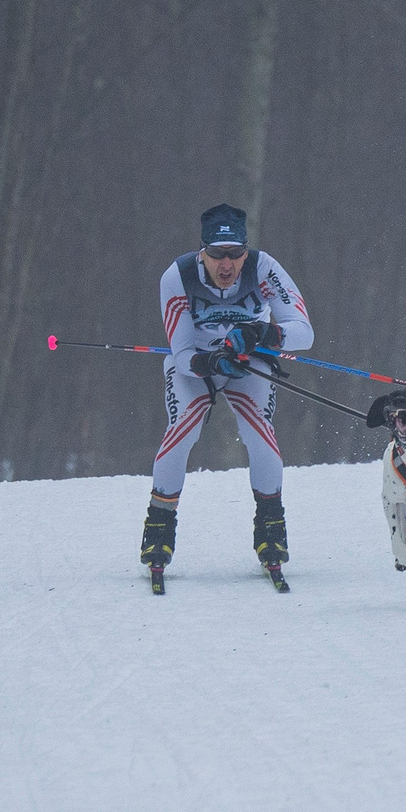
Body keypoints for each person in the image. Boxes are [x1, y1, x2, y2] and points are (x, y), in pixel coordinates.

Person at [140, 202, 314, 578]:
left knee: (259, 432)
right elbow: (183, 351)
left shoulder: (264, 269)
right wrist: (212, 362)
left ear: (245, 251)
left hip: (248, 359)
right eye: (217, 254)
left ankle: (271, 529)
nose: (226, 264)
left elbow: (304, 333)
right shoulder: (179, 276)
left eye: (235, 253)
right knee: (184, 427)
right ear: (202, 252)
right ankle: (159, 528)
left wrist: (263, 333)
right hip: (196, 364)